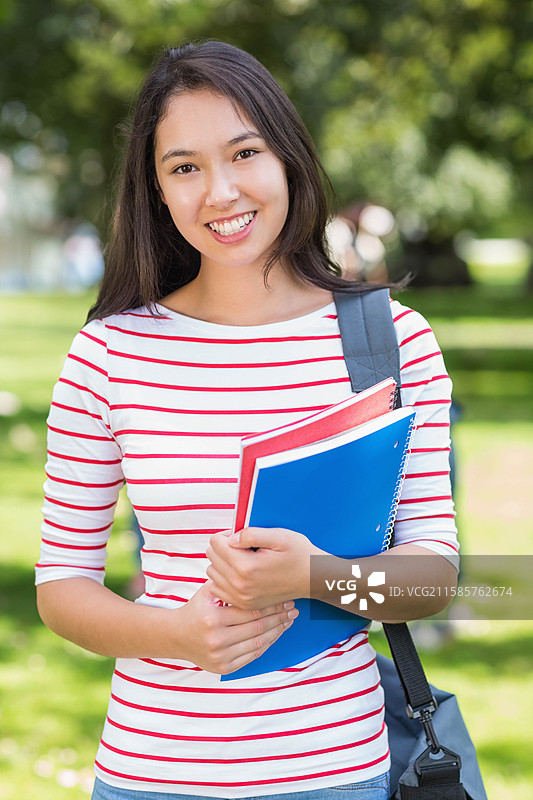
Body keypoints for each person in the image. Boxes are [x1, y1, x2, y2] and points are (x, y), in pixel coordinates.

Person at [35, 41, 459, 800]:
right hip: (150, 774)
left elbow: (434, 579)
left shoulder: (394, 341)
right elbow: (62, 585)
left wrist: (317, 577)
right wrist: (175, 635)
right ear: (156, 190)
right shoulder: (109, 353)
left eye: (244, 153)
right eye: (184, 167)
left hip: (336, 773)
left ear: (287, 157)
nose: (220, 192)